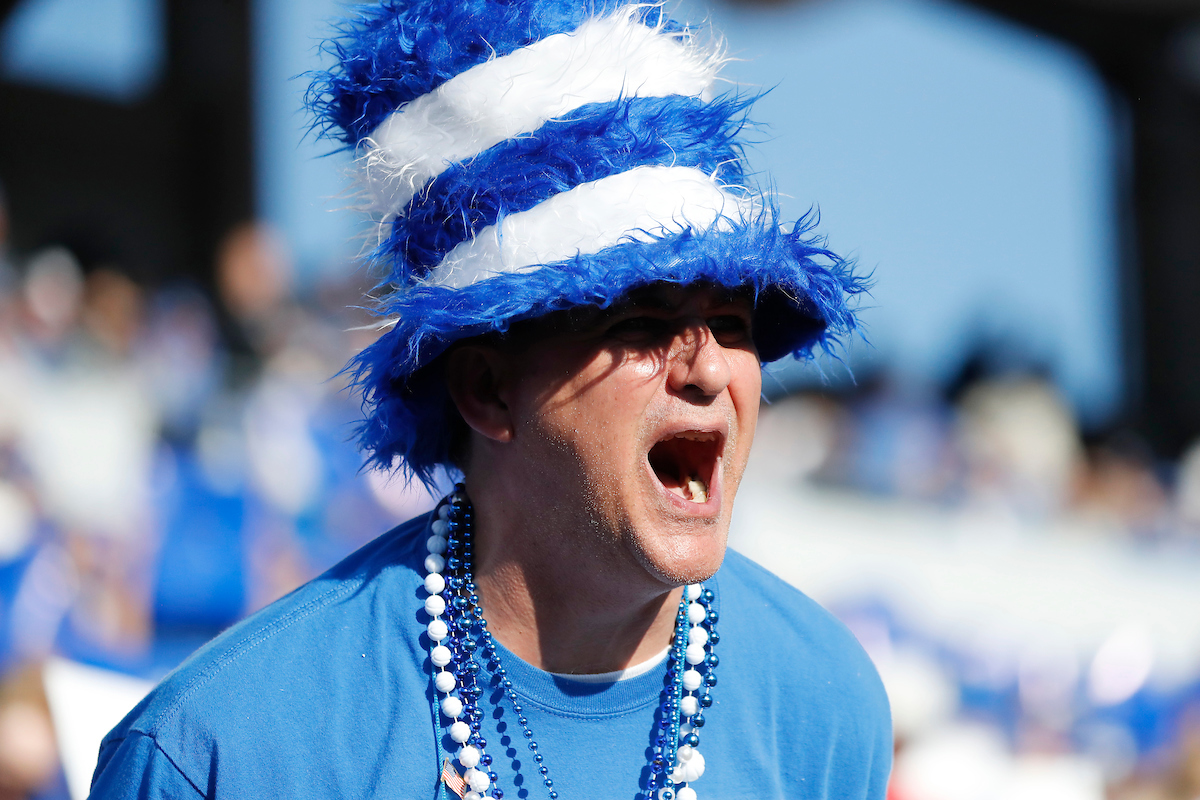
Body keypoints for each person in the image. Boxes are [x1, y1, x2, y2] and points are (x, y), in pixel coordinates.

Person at [89, 0, 891, 798]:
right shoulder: (226, 748)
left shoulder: (824, 705)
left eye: (730, 321)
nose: (710, 371)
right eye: (644, 322)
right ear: (485, 390)